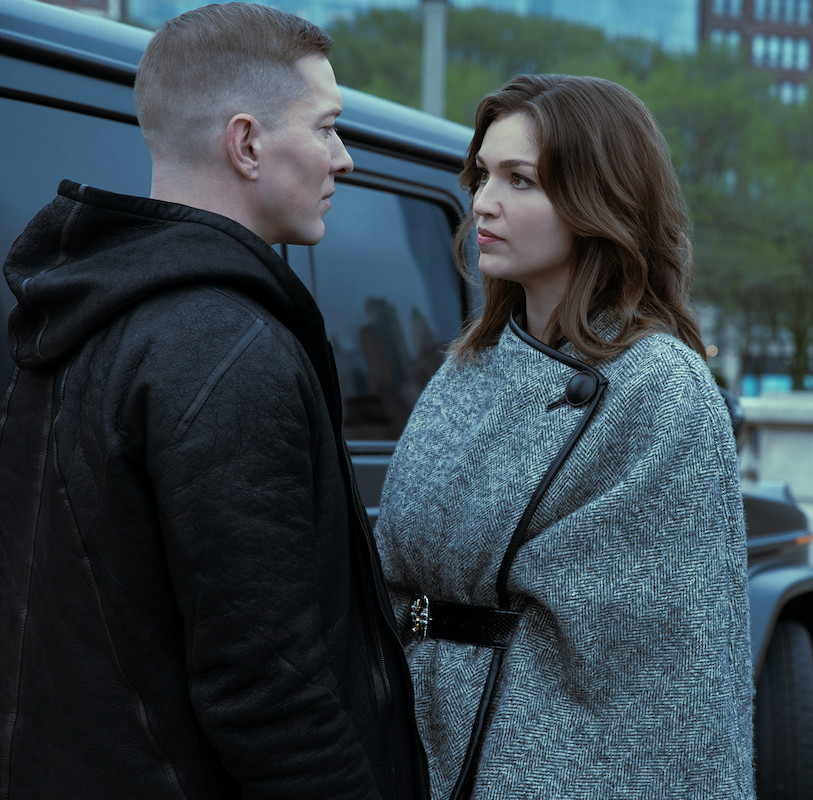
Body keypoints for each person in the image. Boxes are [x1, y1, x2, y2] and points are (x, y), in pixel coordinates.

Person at [0, 4, 426, 798]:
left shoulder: (79, 311)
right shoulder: (225, 350)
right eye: (328, 126)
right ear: (247, 143)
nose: (346, 160)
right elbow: (270, 692)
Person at [374, 74, 755, 799]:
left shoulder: (659, 384)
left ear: (597, 201)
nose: (483, 202)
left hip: (550, 768)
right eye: (483, 175)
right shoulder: (469, 364)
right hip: (411, 744)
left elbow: (665, 667)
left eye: (521, 181)